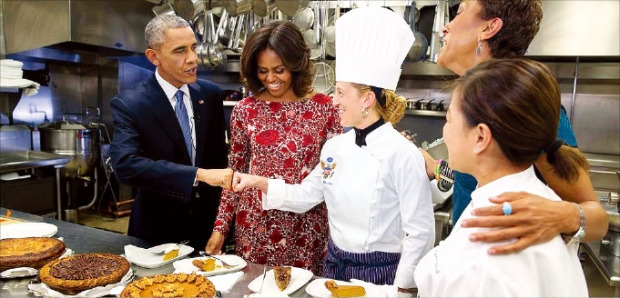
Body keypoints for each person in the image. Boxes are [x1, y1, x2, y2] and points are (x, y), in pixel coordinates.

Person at [231, 7, 434, 293]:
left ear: (366, 99)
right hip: (332, 268)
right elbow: (305, 196)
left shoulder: (403, 154)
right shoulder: (334, 148)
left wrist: (403, 289)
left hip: (380, 273)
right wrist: (258, 182)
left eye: (340, 92)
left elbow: (421, 232)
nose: (333, 100)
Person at [420, 0, 607, 254]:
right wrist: (438, 168)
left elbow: (597, 219)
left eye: (460, 12)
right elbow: (480, 180)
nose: (445, 27)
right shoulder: (473, 103)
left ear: (489, 28)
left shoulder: (520, 106)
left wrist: (562, 214)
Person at [414, 58, 589, 297]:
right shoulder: (514, 196)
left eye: (449, 120)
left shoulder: (496, 237)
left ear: (481, 138)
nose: (444, 131)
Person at [204, 20, 341, 275]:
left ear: (296, 65)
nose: (271, 79)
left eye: (279, 70)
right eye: (262, 71)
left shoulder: (325, 109)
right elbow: (233, 174)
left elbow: (333, 177)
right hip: (256, 227)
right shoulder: (245, 111)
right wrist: (220, 229)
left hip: (306, 227)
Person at [110, 14, 232, 250]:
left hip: (206, 229)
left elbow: (219, 160)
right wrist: (198, 175)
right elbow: (125, 165)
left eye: (194, 48)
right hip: (156, 232)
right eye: (180, 51)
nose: (193, 59)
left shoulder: (210, 94)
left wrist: (223, 225)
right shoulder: (131, 103)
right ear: (153, 56)